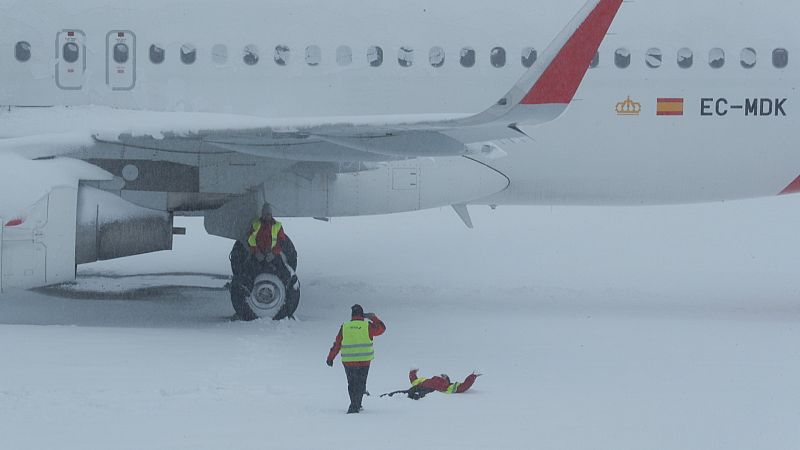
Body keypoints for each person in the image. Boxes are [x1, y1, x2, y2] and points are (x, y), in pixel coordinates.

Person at [326, 304, 386, 414]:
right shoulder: (367, 326)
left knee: (352, 384)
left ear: (352, 315)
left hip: (349, 362)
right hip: (364, 361)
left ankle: (355, 405)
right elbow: (382, 329)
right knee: (361, 383)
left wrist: (330, 357)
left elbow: (337, 344)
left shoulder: (345, 327)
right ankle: (355, 406)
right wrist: (373, 317)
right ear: (362, 315)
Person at [381, 369, 481, 399]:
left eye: (444, 375)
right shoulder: (426, 379)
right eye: (441, 375)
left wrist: (473, 376)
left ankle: (414, 398)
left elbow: (463, 386)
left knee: (422, 393)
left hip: (431, 390)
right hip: (420, 386)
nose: (442, 376)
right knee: (407, 391)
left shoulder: (449, 385)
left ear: (447, 379)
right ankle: (388, 396)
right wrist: (413, 371)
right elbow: (414, 381)